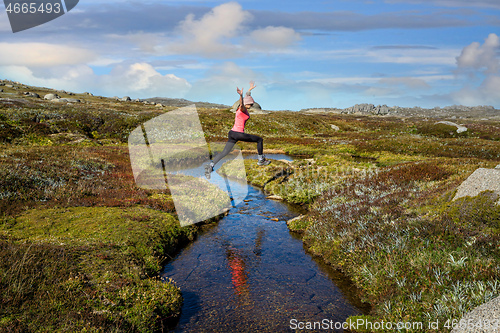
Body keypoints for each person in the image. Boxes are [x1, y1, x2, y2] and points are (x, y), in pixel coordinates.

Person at [205, 81, 270, 179]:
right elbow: (242, 103)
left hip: (232, 133)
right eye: (251, 104)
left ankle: (210, 166)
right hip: (238, 133)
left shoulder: (244, 109)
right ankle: (261, 160)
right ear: (248, 103)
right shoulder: (242, 108)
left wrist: (249, 90)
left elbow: (247, 98)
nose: (252, 105)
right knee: (259, 139)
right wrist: (241, 95)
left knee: (224, 152)